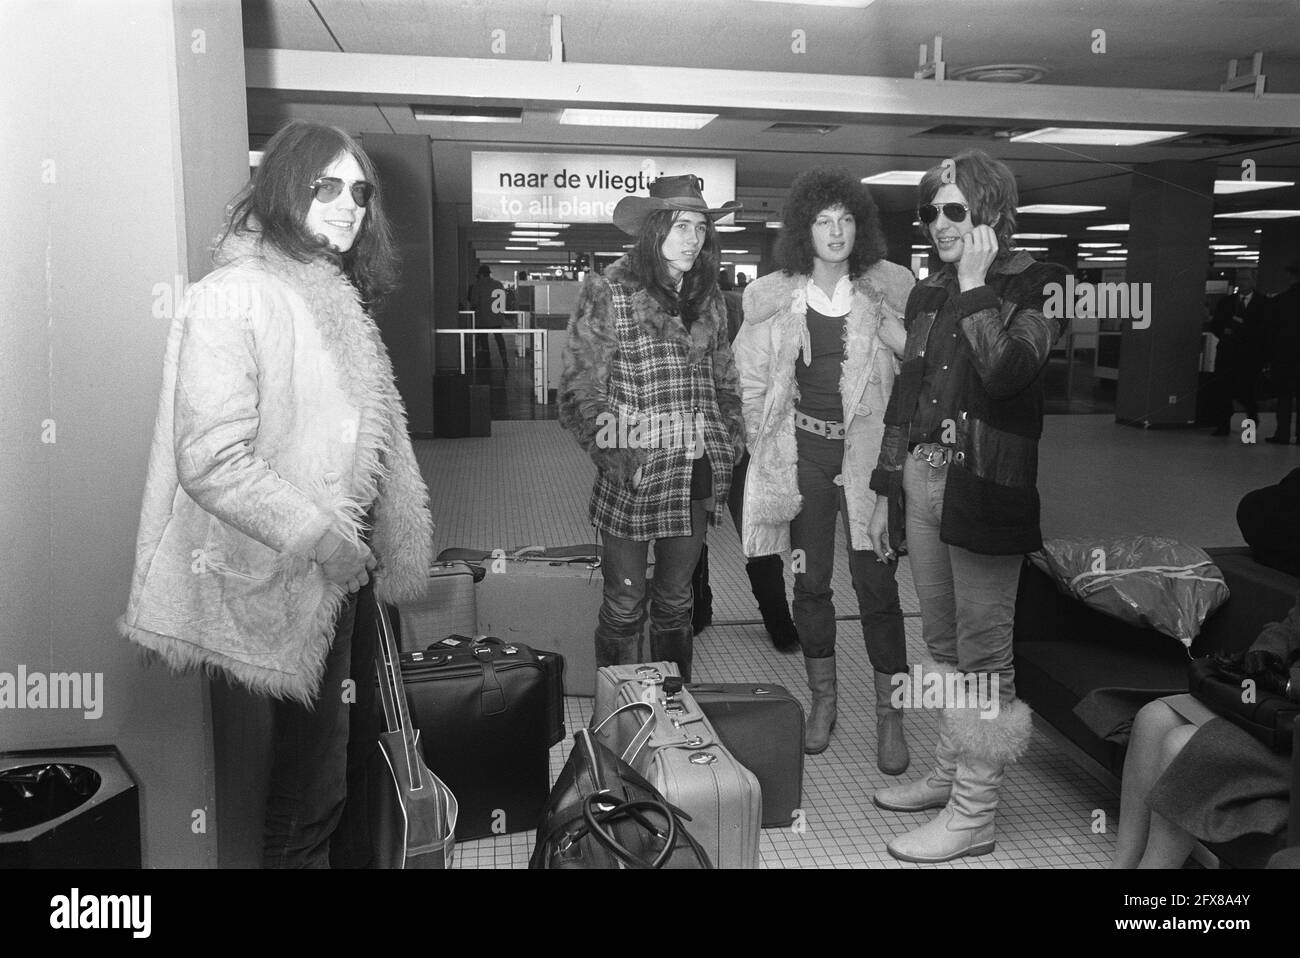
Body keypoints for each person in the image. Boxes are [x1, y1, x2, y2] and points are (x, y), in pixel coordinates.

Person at [118, 121, 434, 868]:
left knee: (348, 762)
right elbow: (211, 460)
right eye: (326, 186)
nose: (349, 204)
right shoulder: (235, 295)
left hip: (342, 571)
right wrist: (325, 543)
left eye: (360, 191)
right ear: (284, 187)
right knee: (309, 786)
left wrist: (368, 547)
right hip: (283, 572)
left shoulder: (332, 300)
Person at [866, 149, 1068, 862]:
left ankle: (974, 816)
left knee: (984, 654)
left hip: (985, 488)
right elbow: (910, 395)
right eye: (931, 211)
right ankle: (953, 772)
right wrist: (887, 486)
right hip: (923, 480)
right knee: (944, 645)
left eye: (954, 209)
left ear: (990, 212)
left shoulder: (1041, 284)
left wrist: (979, 286)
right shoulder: (927, 292)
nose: (939, 223)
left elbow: (1008, 372)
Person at [733, 169, 915, 765]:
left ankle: (891, 717)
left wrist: (896, 337)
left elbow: (922, 369)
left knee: (876, 582)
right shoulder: (775, 297)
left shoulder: (887, 291)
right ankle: (824, 700)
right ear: (803, 230)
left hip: (866, 460)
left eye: (845, 220)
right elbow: (750, 380)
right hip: (803, 456)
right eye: (822, 221)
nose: (835, 232)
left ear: (859, 227)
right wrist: (763, 441)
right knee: (808, 583)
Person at [559, 175, 747, 681]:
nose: (692, 238)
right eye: (681, 225)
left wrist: (726, 439)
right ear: (655, 229)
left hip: (694, 471)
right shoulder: (610, 293)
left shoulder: (711, 299)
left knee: (675, 600)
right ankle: (617, 709)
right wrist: (621, 455)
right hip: (635, 473)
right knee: (624, 599)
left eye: (701, 227)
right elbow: (580, 392)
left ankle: (672, 710)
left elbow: (724, 379)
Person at [1111, 595, 1298, 868]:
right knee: (1153, 719)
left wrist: (1289, 685)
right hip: (1276, 706)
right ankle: (1122, 865)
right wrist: (1266, 655)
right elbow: (1291, 625)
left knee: (1181, 743)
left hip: (1292, 733)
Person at [1267, 262, 1300, 444]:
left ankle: (1283, 434)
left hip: (1285, 356)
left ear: (1291, 276)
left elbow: (1272, 330)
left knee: (1284, 397)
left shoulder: (1281, 301)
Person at [468, 264, 511, 369]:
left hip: (482, 319)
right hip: (496, 318)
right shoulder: (498, 284)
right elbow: (503, 301)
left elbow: (474, 302)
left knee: (484, 341)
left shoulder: (477, 286)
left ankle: (487, 361)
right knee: (499, 339)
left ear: (481, 275)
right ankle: (504, 359)